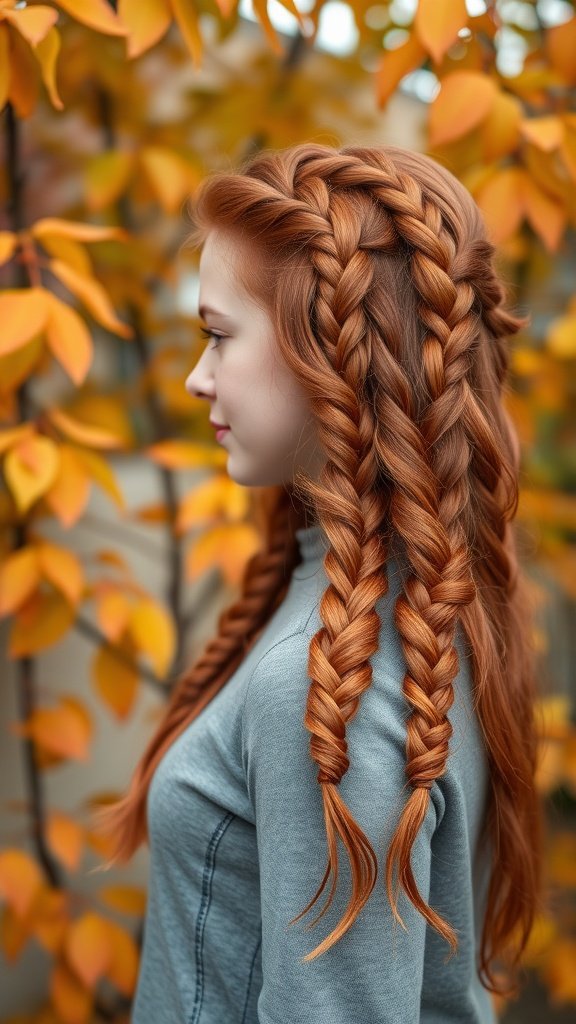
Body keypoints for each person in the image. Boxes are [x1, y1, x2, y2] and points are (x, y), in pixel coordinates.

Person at [94, 143, 543, 1023]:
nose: (196, 377)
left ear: (330, 356)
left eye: (219, 335)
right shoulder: (430, 600)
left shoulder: (333, 680)